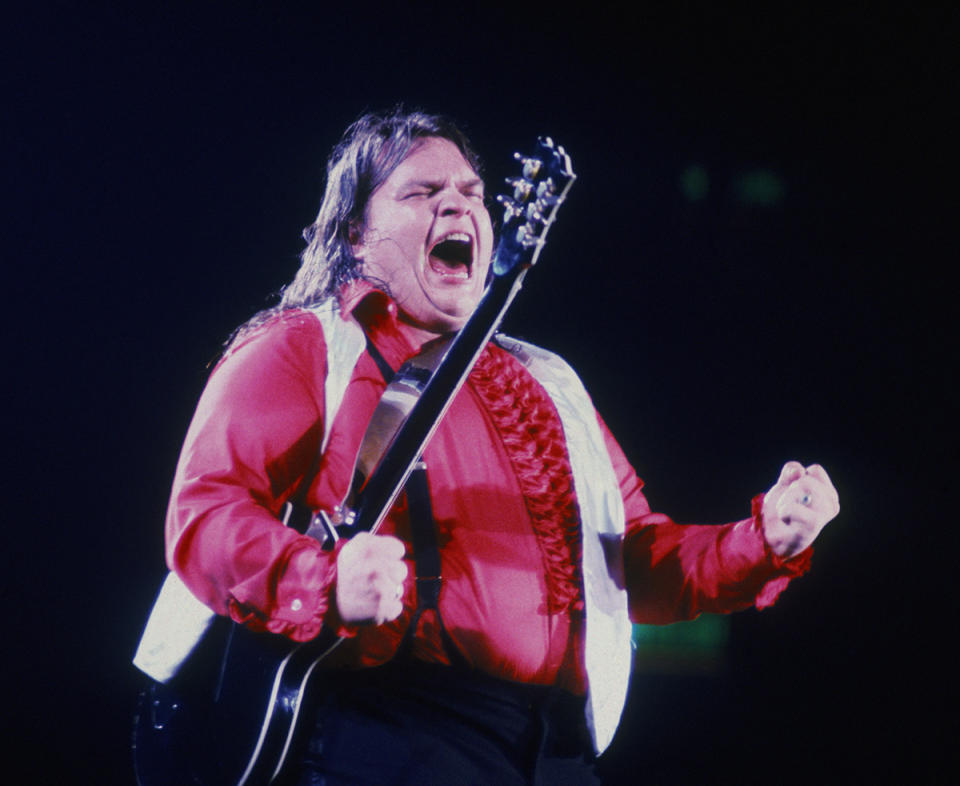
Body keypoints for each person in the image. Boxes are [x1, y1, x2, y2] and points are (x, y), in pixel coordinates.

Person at [149, 109, 839, 785]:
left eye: (472, 194)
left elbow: (630, 557)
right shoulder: (304, 346)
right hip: (388, 733)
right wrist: (321, 581)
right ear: (357, 232)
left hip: (554, 749)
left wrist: (761, 541)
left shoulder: (548, 381)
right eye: (422, 192)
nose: (457, 205)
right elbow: (206, 515)